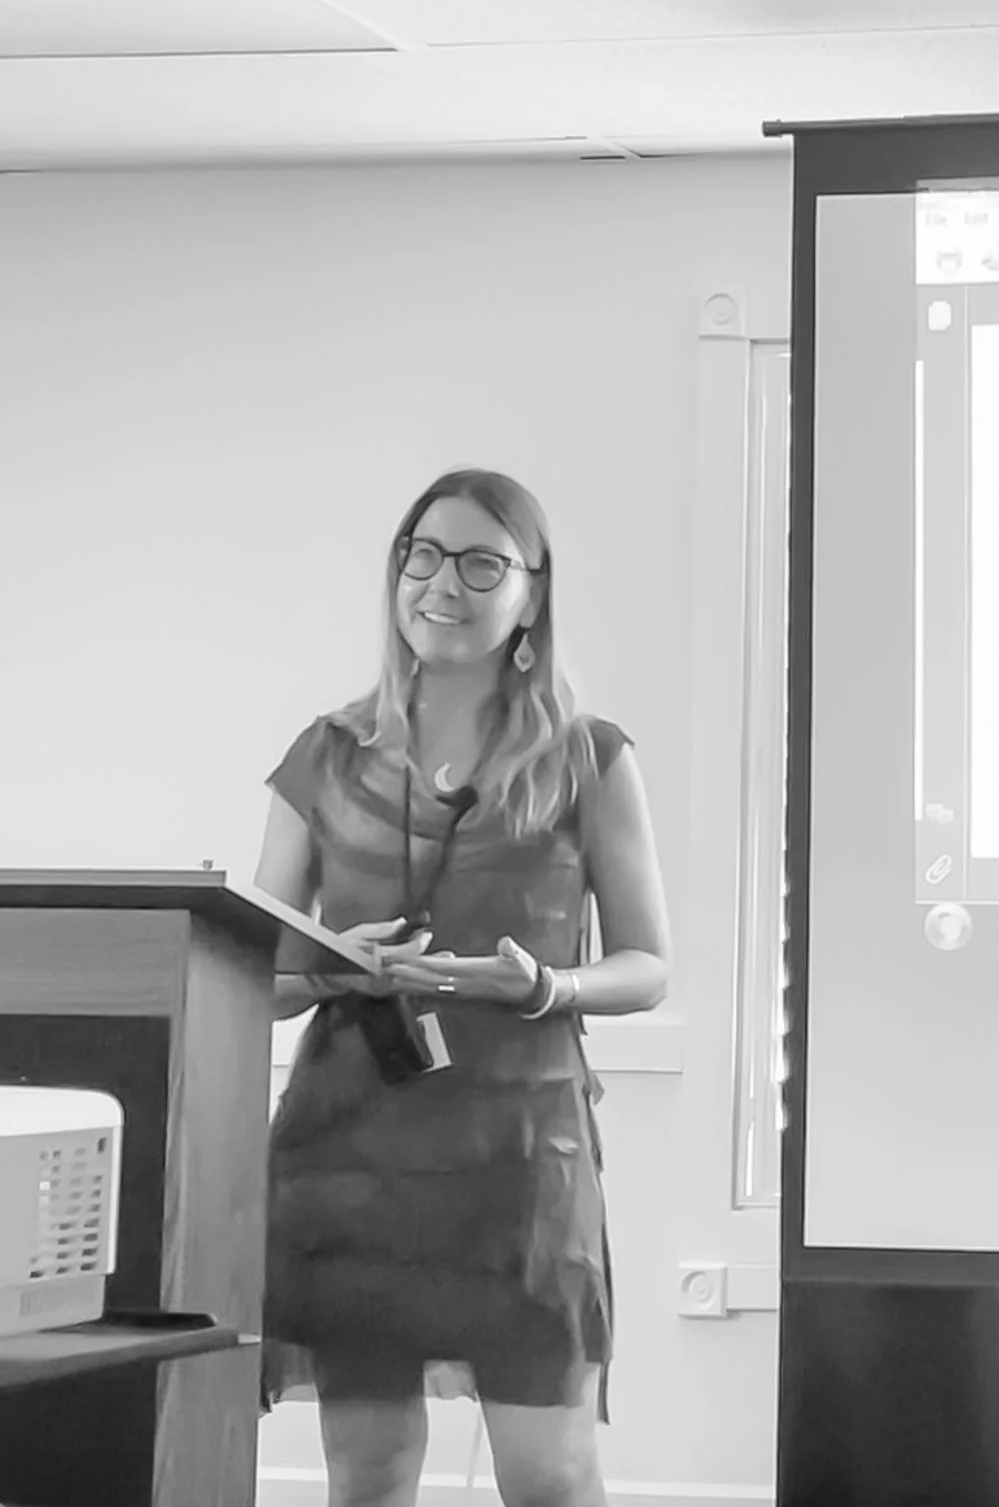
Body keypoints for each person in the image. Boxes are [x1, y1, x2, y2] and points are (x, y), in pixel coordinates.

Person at [252, 467, 670, 1507]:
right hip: (347, 1155)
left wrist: (546, 985)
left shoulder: (588, 757)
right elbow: (250, 971)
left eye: (483, 560)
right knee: (370, 1472)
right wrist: (328, 961)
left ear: (533, 591)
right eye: (423, 555)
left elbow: (647, 965)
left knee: (551, 1477)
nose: (446, 581)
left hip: (521, 1165)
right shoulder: (327, 754)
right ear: (397, 576)